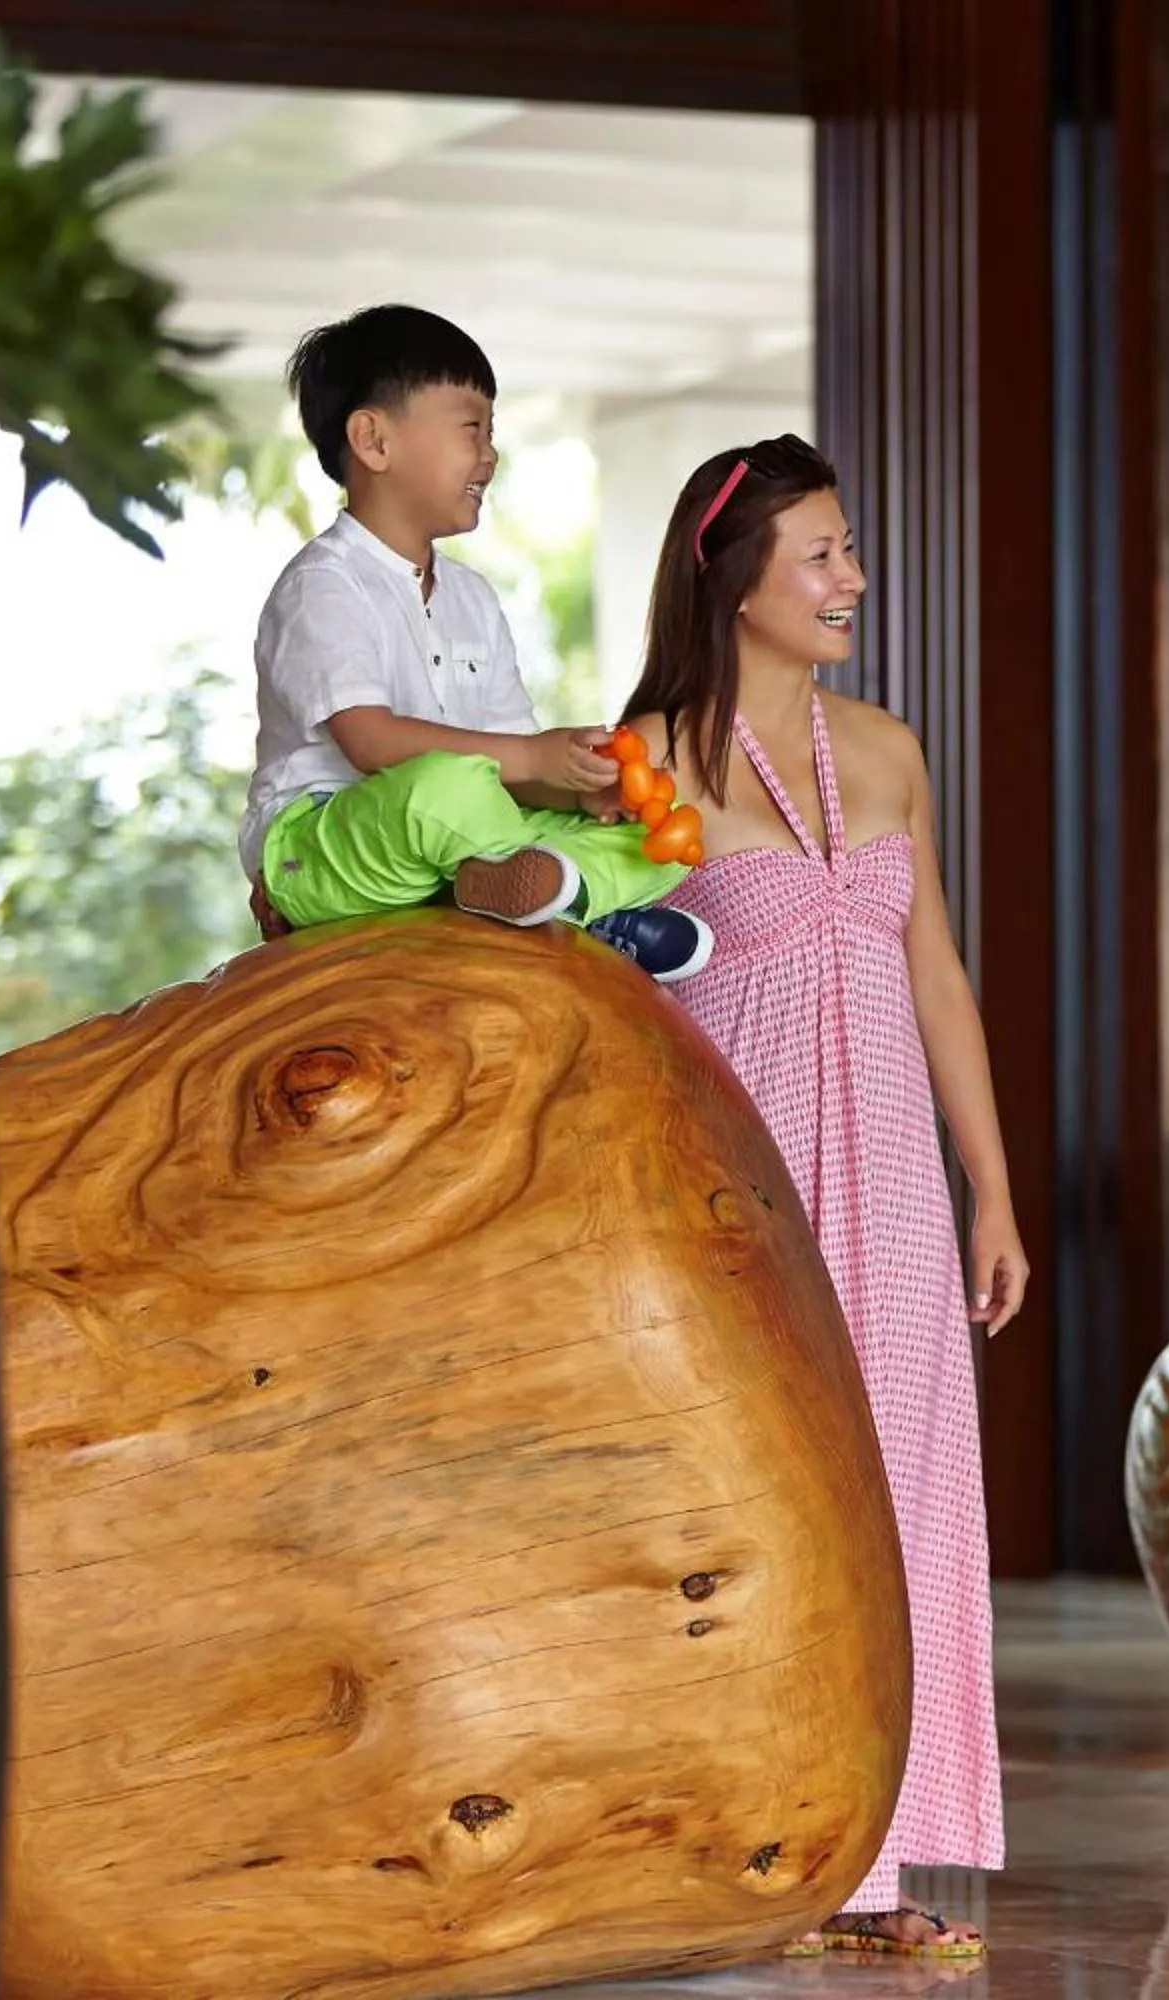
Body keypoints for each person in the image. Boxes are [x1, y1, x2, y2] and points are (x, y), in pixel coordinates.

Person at [621, 435, 1025, 1960]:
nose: (851, 578)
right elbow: (622, 992)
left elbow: (939, 979)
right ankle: (735, 1848)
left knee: (907, 1501)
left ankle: (875, 1863)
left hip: (901, 1193)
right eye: (822, 555)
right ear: (737, 579)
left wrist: (990, 1189)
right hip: (747, 1196)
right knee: (745, 1509)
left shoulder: (891, 750)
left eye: (852, 550)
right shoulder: (646, 761)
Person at [239, 304, 709, 981]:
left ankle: (551, 891)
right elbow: (370, 743)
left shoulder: (473, 598)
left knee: (656, 832)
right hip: (321, 845)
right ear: (374, 440)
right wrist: (533, 754)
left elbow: (512, 771)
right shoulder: (323, 585)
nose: (489, 454)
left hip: (457, 844)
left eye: (492, 432)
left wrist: (578, 794)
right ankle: (585, 911)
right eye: (472, 428)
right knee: (444, 785)